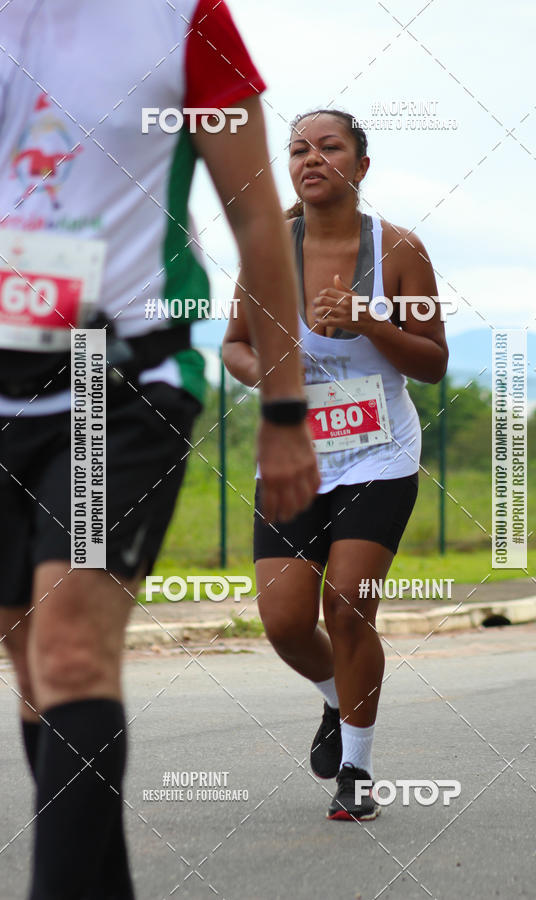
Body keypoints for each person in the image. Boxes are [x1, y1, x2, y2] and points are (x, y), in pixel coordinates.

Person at [0, 2, 318, 896]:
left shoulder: (187, 18)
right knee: (31, 664)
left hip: (118, 376)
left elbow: (259, 222)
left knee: (68, 650)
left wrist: (286, 410)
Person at [223, 108, 448, 821]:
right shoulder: (266, 249)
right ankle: (335, 701)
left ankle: (357, 767)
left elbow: (436, 363)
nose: (311, 158)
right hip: (295, 455)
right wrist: (269, 370)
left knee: (348, 606)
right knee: (286, 621)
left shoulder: (400, 249)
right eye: (298, 149)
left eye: (330, 147)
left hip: (380, 455)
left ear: (361, 165)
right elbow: (232, 345)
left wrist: (370, 322)